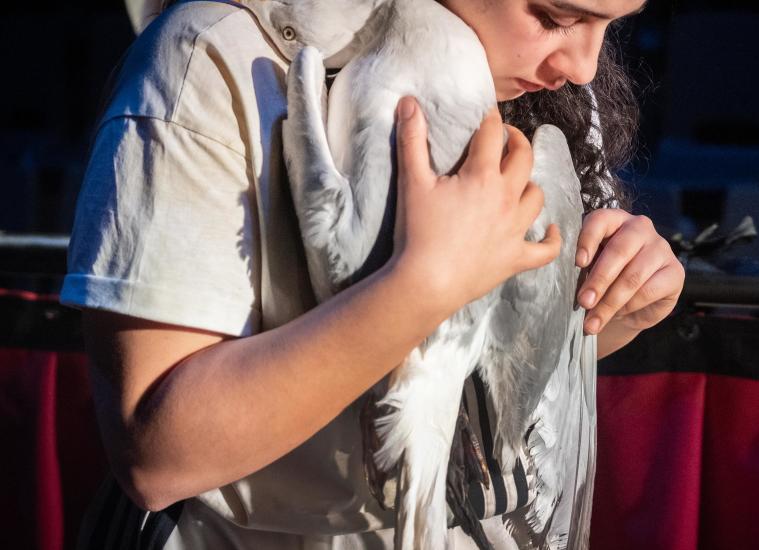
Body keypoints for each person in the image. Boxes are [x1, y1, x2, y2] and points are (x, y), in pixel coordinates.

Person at [63, 0, 684, 547]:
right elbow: (157, 456)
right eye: (554, 16)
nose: (584, 67)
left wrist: (606, 306)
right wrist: (421, 287)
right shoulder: (216, 58)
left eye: (610, 26)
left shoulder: (542, 93)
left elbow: (484, 379)